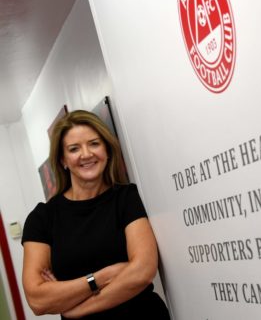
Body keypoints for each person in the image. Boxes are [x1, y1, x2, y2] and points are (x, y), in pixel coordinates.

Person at [21, 110, 170, 319]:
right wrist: (100, 277)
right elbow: (38, 299)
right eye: (74, 149)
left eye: (94, 143)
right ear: (63, 159)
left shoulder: (126, 198)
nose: (86, 154)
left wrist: (77, 308)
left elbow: (143, 272)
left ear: (107, 150)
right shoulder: (42, 218)